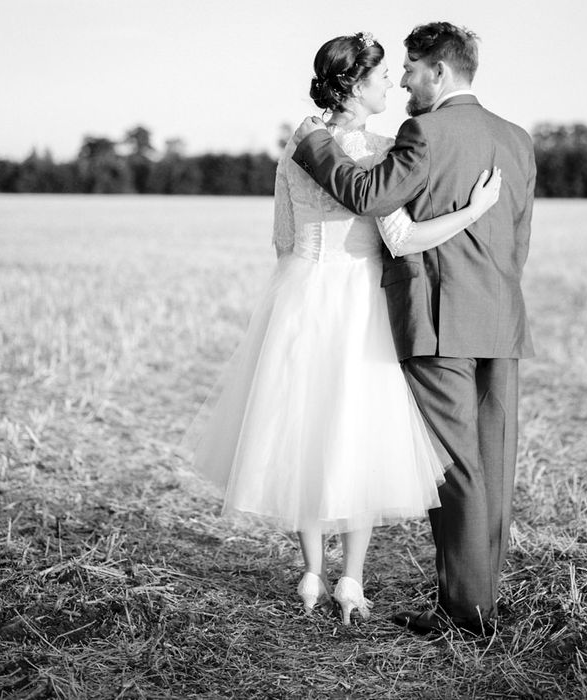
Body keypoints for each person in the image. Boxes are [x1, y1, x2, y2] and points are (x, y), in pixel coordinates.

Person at [189, 31, 501, 626]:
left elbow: (281, 237)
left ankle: (310, 572)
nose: (393, 84)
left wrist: (305, 275)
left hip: (301, 295)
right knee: (361, 430)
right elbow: (403, 238)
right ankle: (351, 582)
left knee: (303, 428)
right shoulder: (380, 150)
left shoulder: (297, 145)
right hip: (358, 299)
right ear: (357, 85)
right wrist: (473, 211)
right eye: (384, 76)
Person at [292, 21, 536, 635]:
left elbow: (369, 193)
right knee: (494, 466)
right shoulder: (518, 139)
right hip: (500, 318)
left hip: (438, 318)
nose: (402, 80)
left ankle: (466, 613)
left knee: (457, 470)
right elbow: (519, 241)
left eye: (409, 69)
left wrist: (315, 144)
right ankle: (482, 600)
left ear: (439, 72)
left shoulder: (424, 131)